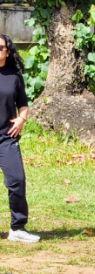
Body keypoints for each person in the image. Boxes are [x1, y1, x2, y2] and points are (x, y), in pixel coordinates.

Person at [0, 34, 36, 243]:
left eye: (0, 47)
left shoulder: (14, 76)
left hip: (6, 137)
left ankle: (17, 228)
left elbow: (23, 102)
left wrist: (22, 119)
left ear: (7, 51)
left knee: (17, 180)